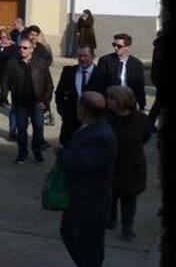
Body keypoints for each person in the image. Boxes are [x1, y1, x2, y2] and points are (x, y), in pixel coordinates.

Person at [57, 91, 116, 267]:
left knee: (89, 249)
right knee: (69, 233)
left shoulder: (101, 136)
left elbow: (81, 163)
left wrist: (62, 153)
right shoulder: (90, 127)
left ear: (83, 109)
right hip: (78, 200)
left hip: (91, 204)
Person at [105, 86, 151, 241]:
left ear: (122, 101)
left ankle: (127, 227)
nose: (108, 101)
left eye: (112, 98)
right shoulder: (105, 118)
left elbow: (145, 136)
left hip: (132, 166)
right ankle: (110, 220)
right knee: (110, 195)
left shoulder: (140, 119)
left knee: (129, 199)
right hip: (111, 164)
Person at [0, 38, 54, 164]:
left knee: (38, 128)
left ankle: (37, 152)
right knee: (22, 130)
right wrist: (4, 96)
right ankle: (22, 153)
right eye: (20, 47)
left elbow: (49, 85)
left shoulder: (40, 63)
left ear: (32, 49)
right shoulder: (12, 63)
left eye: (25, 48)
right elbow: (5, 81)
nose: (22, 50)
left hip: (37, 102)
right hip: (20, 103)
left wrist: (45, 102)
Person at [55, 46, 108, 145]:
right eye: (79, 56)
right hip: (70, 120)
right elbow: (59, 93)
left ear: (92, 57)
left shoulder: (102, 75)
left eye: (85, 56)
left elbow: (105, 97)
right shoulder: (68, 71)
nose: (82, 59)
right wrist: (62, 111)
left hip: (92, 121)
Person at [98, 33, 147, 111]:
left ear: (128, 47)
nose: (116, 48)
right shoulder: (105, 61)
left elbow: (140, 86)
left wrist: (142, 106)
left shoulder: (137, 64)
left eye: (119, 46)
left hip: (129, 102)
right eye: (114, 45)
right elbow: (100, 84)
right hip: (111, 102)